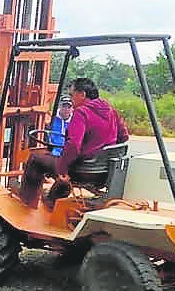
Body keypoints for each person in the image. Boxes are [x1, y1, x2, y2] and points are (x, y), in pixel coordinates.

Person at [20, 78, 129, 208]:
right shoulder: (111, 111)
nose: (71, 100)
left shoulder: (81, 112)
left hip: (83, 171)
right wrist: (101, 152)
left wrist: (62, 170)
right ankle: (52, 199)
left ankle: (26, 202)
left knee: (36, 159)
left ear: (82, 94)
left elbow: (73, 146)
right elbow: (124, 137)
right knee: (66, 160)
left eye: (72, 95)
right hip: (104, 172)